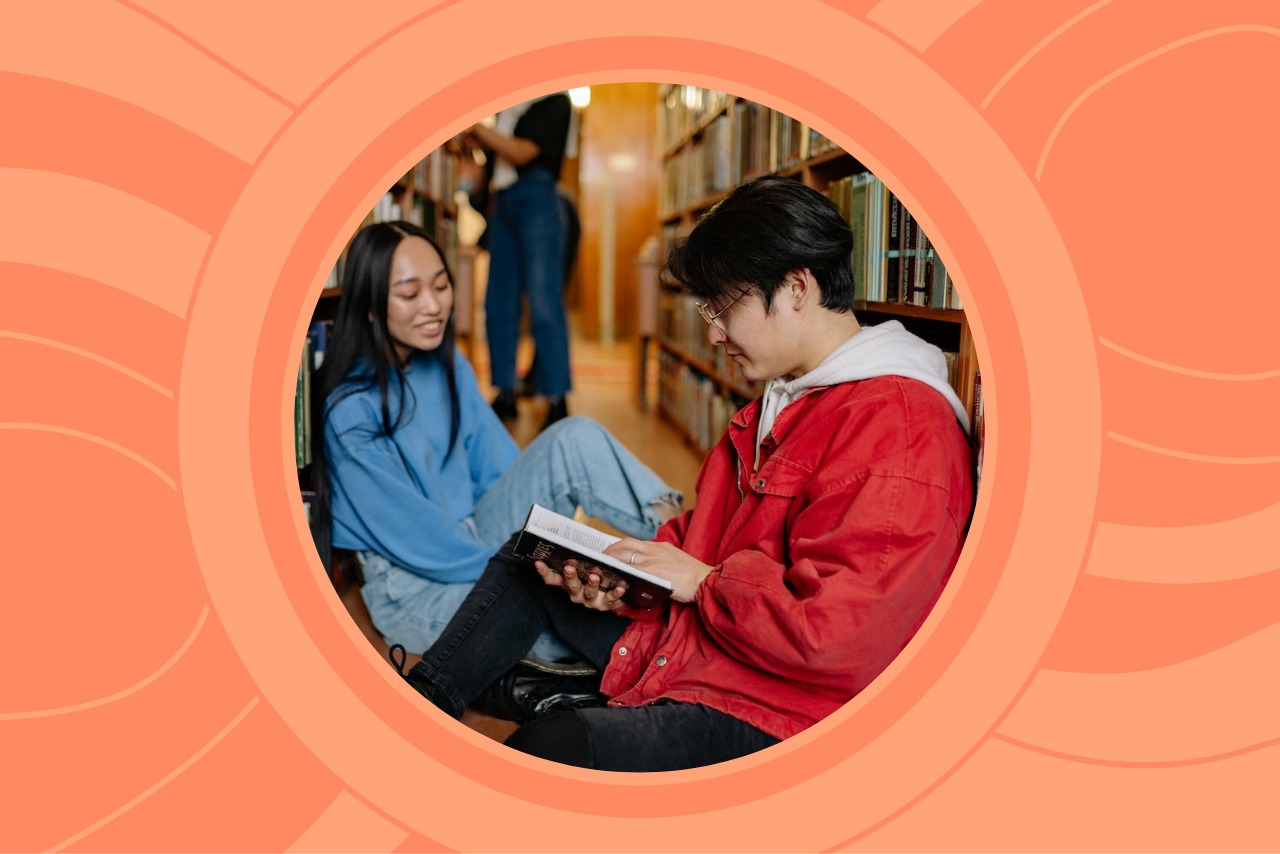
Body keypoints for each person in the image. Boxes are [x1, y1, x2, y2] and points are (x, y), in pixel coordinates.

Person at [396, 176, 976, 772]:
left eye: (724, 308)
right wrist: (624, 569)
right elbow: (715, 535)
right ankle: (420, 709)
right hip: (708, 641)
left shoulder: (900, 430)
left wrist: (702, 583)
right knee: (531, 558)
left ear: (796, 288)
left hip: (779, 706)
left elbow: (841, 640)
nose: (714, 333)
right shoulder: (791, 395)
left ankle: (557, 697)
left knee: (548, 751)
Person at [310, 220, 681, 660]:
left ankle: (691, 552)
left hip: (480, 536)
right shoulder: (350, 411)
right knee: (593, 626)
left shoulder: (445, 362)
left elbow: (502, 470)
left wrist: (551, 545)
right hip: (416, 586)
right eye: (409, 294)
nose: (433, 306)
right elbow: (421, 542)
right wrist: (532, 570)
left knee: (573, 436)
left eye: (441, 286)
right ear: (369, 307)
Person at [462, 92, 574, 430]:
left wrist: (479, 130)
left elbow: (523, 152)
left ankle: (556, 397)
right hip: (503, 201)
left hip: (538, 199)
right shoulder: (506, 106)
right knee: (498, 302)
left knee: (543, 302)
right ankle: (505, 390)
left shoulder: (556, 101)